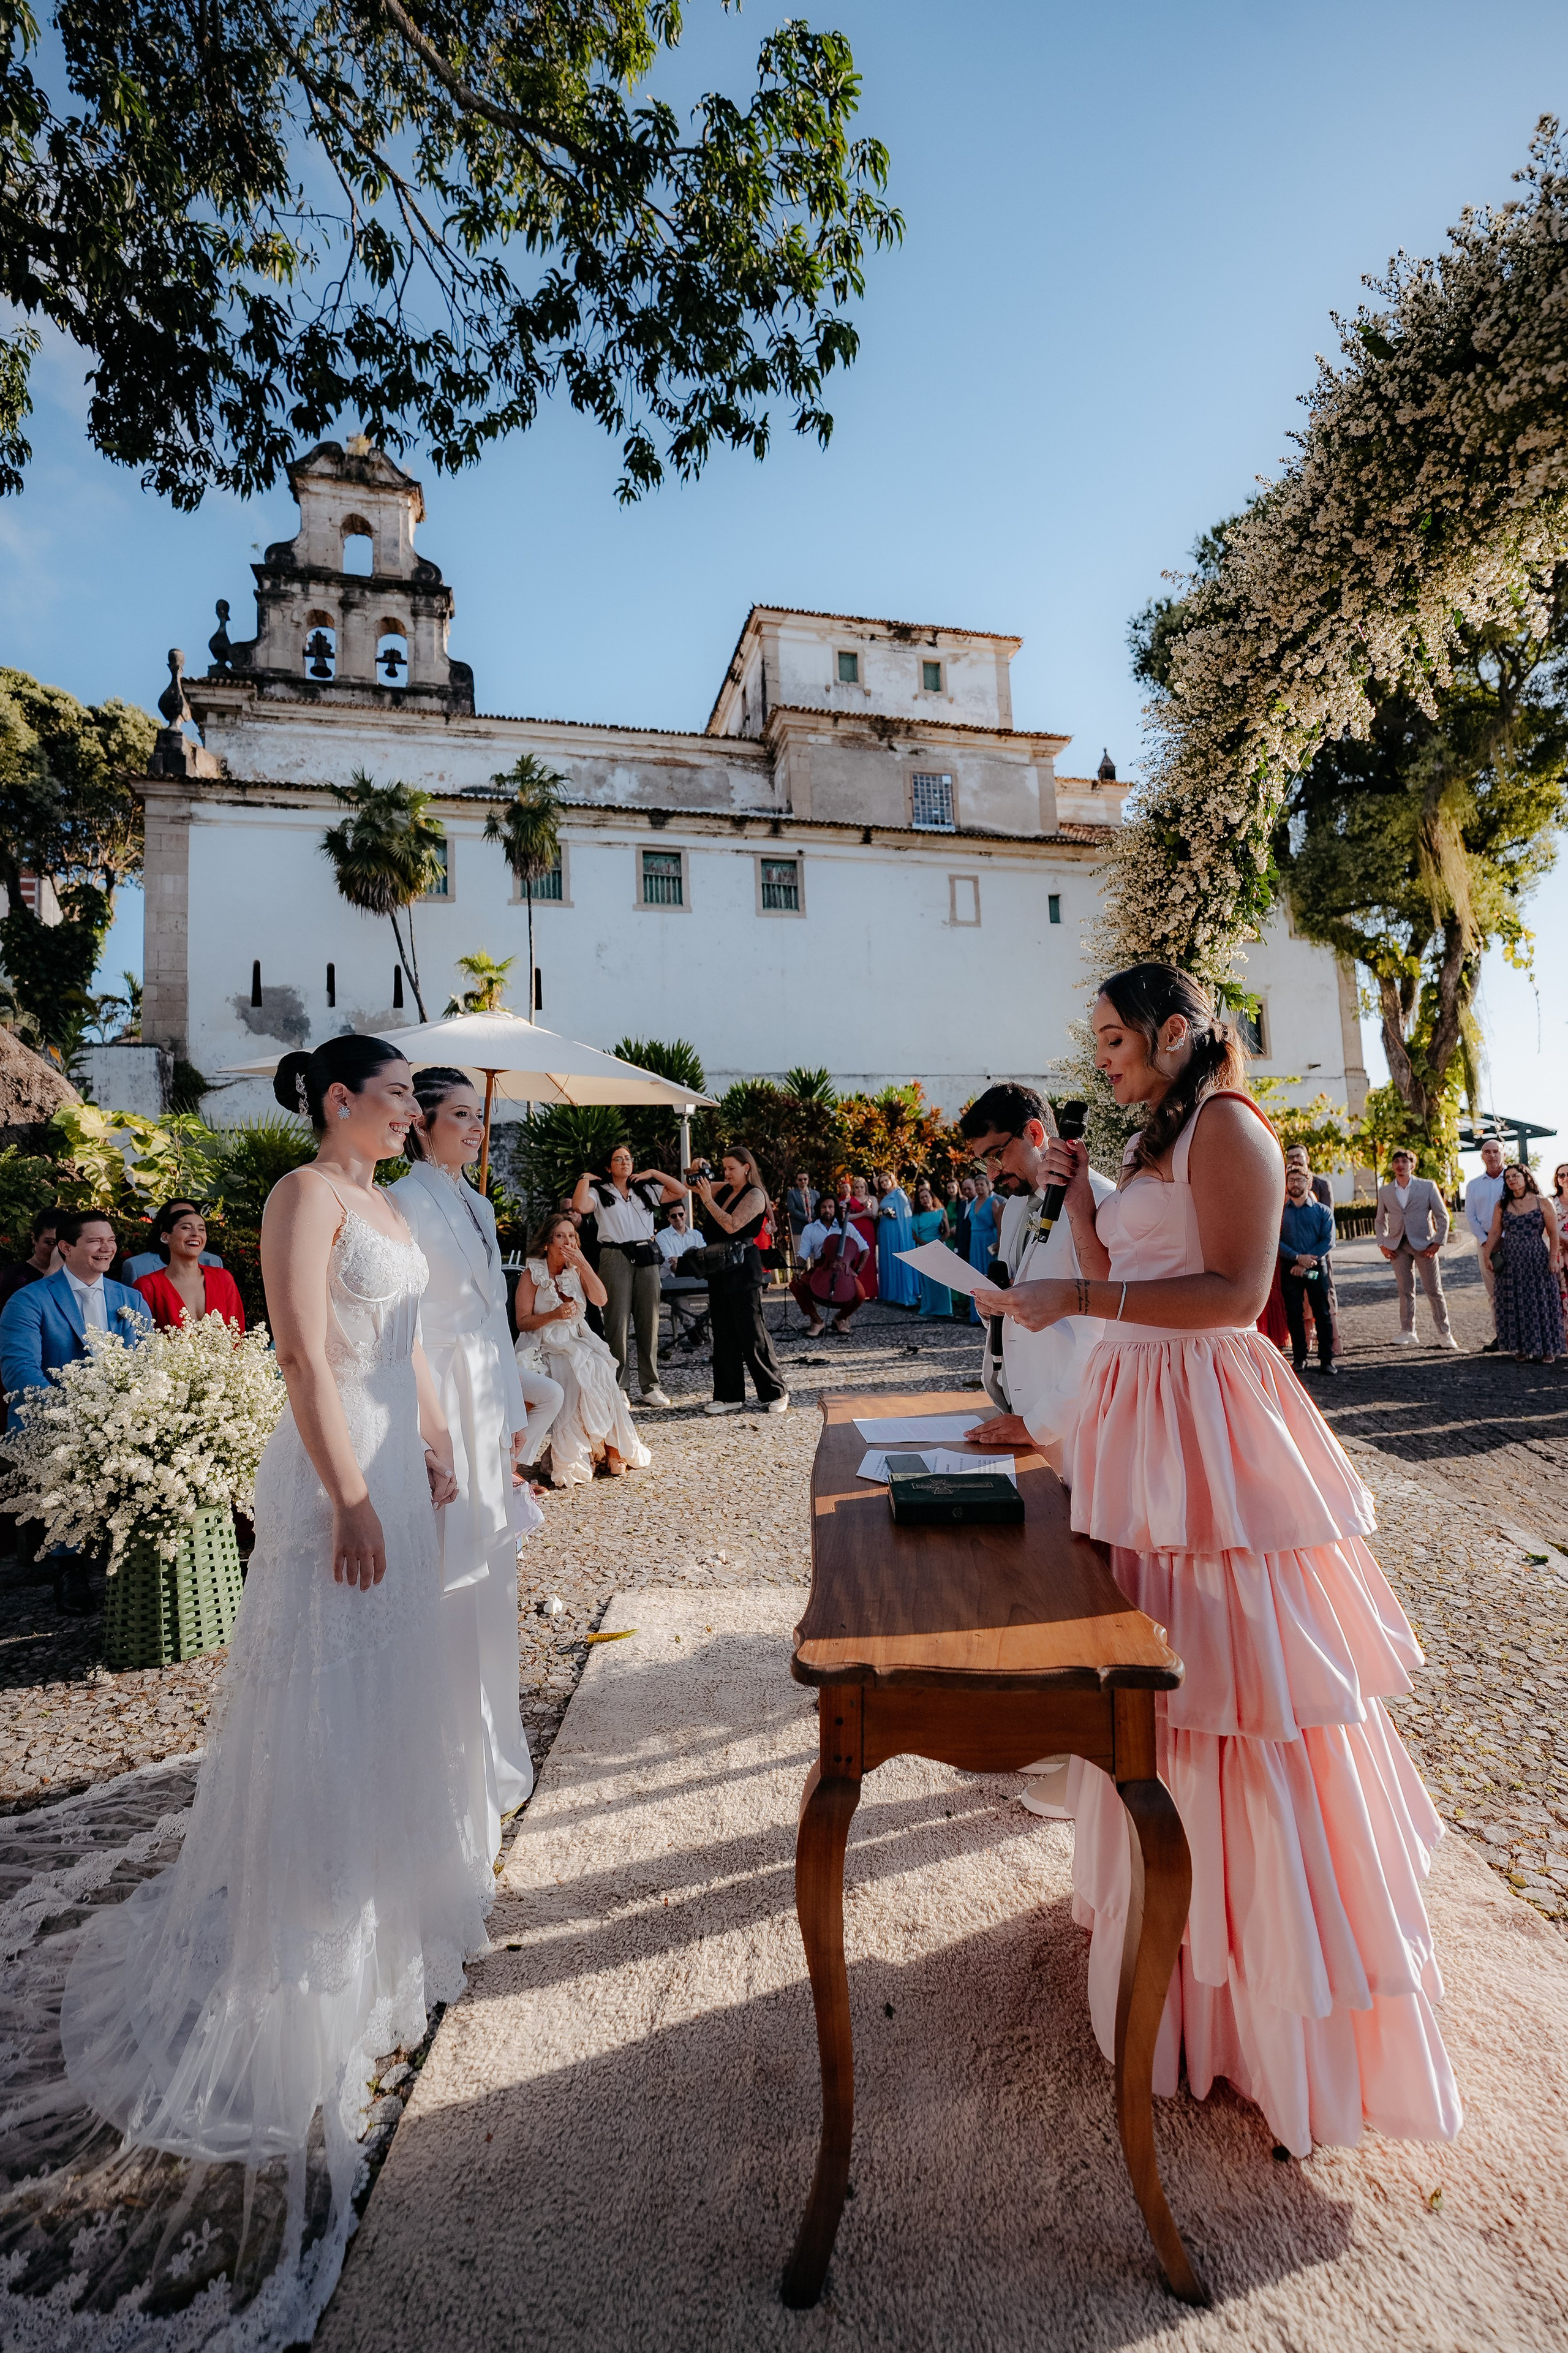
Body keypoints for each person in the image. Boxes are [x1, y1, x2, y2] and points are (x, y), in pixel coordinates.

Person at [984, 961, 1460, 2159]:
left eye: (1113, 1036)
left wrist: (1081, 1289)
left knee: (1230, 1687)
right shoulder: (1156, 1136)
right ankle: (1163, 1940)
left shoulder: (1231, 1127)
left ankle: (1259, 1983)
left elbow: (1231, 1292)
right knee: (1142, 1676)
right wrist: (1075, 1192)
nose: (1100, 1054)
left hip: (1206, 1418)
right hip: (1136, 1414)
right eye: (1092, 1038)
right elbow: (1116, 1264)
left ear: (1177, 1029)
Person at [58, 1035, 490, 2346]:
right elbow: (302, 1353)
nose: (415, 1107)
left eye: (422, 1095)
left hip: (392, 1462)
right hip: (325, 1467)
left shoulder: (383, 1203)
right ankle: (304, 1961)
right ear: (337, 1102)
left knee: (397, 1687)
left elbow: (401, 1336)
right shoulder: (304, 1195)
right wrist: (354, 1491)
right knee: (324, 1694)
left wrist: (427, 1440)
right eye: (399, 1092)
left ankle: (383, 1925)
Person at [389, 1068, 542, 1863]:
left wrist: (515, 1419)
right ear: (420, 1123)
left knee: (497, 1584)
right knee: (450, 1586)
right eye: (459, 1116)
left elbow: (494, 1325)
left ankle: (500, 1757)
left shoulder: (480, 1203)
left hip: (490, 1402)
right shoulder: (400, 1204)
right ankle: (448, 1768)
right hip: (442, 1403)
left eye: (479, 1116)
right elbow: (408, 1332)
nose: (475, 1128)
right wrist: (430, 1437)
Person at [966, 1083, 1117, 1468]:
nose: (993, 1173)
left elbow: (1103, 1334)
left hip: (1076, 1426)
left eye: (997, 1155)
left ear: (1035, 1134)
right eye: (984, 1163)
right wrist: (995, 1307)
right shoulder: (1015, 1209)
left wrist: (1041, 1424)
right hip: (1022, 1405)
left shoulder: (1101, 1203)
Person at [514, 1213, 651, 1483]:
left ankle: (613, 1449)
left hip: (577, 1339)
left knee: (601, 1369)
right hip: (542, 1344)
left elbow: (601, 1299)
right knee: (573, 1376)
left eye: (572, 1235)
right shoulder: (533, 1273)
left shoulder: (577, 1270)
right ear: (547, 1243)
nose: (568, 1240)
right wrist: (554, 1314)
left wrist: (585, 1265)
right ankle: (571, 1458)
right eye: (560, 1236)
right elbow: (522, 1322)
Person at [0, 1209, 153, 1426]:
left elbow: (149, 1361)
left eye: (111, 1240)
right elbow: (19, 1370)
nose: (107, 1248)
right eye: (95, 1241)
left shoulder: (131, 1299)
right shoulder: (28, 1300)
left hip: (120, 1431)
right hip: (46, 1430)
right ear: (66, 1248)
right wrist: (76, 1416)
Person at [571, 1147, 684, 1404]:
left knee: (649, 1321)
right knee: (617, 1322)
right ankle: (620, 1385)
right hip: (615, 1256)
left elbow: (680, 1191)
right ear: (609, 1166)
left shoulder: (645, 1190)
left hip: (646, 1255)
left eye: (629, 1158)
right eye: (618, 1159)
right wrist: (584, 1178)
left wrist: (654, 1173)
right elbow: (579, 1206)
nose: (625, 1162)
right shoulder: (600, 1192)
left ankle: (650, 1385)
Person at [691, 1146, 790, 1413]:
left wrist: (707, 1201)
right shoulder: (724, 1189)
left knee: (752, 1331)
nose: (727, 1173)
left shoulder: (756, 1195)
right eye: (724, 1168)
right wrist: (696, 1166)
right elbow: (692, 1184)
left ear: (747, 1167)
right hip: (719, 1266)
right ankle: (729, 1395)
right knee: (723, 1333)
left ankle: (775, 1392)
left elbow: (732, 1224)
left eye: (731, 1168)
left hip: (743, 1266)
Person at [1482, 1162, 1564, 1362]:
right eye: (1508, 1177)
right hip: (1510, 1260)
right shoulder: (1502, 1205)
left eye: (1515, 1176)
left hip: (1537, 1258)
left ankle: (1547, 1349)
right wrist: (1487, 1255)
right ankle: (1519, 1347)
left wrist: (1553, 1259)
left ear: (1526, 1177)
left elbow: (1553, 1234)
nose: (1511, 1180)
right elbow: (1494, 1232)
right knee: (1515, 1303)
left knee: (1540, 1302)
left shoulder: (1543, 1203)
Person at [1374, 1149, 1456, 1348]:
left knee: (1434, 1290)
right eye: (1397, 1161)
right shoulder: (1385, 1191)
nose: (1400, 1165)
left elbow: (1442, 1216)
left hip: (1424, 1245)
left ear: (1412, 1164)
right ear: (1393, 1166)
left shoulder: (1427, 1186)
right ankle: (1408, 1331)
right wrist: (1382, 1244)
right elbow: (1379, 1220)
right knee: (1405, 1290)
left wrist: (1438, 1242)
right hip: (1397, 1246)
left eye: (1405, 1161)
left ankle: (1445, 1334)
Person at [133, 1201, 246, 1329]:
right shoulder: (148, 1286)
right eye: (186, 1228)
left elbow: (237, 1333)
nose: (196, 1234)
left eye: (201, 1229)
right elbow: (142, 1339)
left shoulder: (223, 1279)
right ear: (165, 1237)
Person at [1279, 1153, 1338, 1376]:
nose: (1295, 1184)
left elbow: (1328, 1241)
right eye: (1291, 1180)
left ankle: (1327, 1360)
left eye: (1300, 1180)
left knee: (1322, 1313)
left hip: (1315, 1270)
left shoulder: (1322, 1212)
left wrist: (1306, 1262)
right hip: (1291, 1269)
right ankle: (1300, 1359)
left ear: (1309, 1183)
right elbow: (1275, 1241)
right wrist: (1296, 1258)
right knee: (1293, 1314)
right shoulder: (1281, 1213)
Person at [791, 1192, 869, 1338]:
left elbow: (865, 1249)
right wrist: (798, 1270)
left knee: (860, 1295)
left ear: (835, 1209)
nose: (827, 1210)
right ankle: (817, 1321)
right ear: (819, 1209)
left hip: (843, 1269)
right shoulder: (810, 1229)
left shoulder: (848, 1227)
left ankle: (840, 1319)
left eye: (831, 1207)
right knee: (796, 1285)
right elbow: (803, 1253)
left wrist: (857, 1270)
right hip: (820, 1268)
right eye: (824, 1207)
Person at [1464, 1136, 1508, 1353]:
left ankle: (1521, 1336)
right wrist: (1485, 1242)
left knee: (1517, 1290)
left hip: (1512, 1243)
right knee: (1494, 1293)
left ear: (1504, 1154)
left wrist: (1505, 1238)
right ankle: (1501, 1335)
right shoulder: (1473, 1186)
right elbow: (1470, 1216)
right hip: (1484, 1246)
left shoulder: (1514, 1180)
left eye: (1496, 1151)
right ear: (1482, 1157)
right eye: (1487, 1152)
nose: (1491, 1155)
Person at [121, 1201, 224, 1283]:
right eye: (185, 1226)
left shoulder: (215, 1265)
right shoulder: (138, 1268)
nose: (195, 1233)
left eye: (201, 1228)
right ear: (164, 1232)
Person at [656, 1198, 709, 1351]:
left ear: (685, 1214)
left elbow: (705, 1259)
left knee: (720, 1292)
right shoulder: (662, 1237)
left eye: (680, 1214)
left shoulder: (697, 1235)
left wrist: (680, 1260)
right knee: (679, 1295)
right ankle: (691, 1329)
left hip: (696, 1279)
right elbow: (672, 1267)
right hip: (671, 1282)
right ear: (668, 1218)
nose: (678, 1218)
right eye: (674, 1216)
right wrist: (691, 1261)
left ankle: (700, 1322)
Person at [874, 1171, 920, 1307]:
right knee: (888, 1259)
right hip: (885, 1231)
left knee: (897, 1260)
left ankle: (902, 1293)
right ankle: (889, 1293)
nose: (884, 1184)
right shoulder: (886, 1196)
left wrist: (894, 1215)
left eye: (886, 1181)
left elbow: (905, 1217)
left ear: (892, 1180)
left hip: (896, 1232)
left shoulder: (899, 1194)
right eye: (882, 1182)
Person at [0, 1207, 58, 1312]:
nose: (56, 1251)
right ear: (34, 1238)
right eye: (50, 1243)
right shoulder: (13, 1278)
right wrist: (53, 1269)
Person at [909, 1179, 953, 1317]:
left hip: (939, 1248)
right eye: (921, 1198)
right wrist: (928, 1246)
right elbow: (914, 1236)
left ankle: (945, 1309)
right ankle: (929, 1308)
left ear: (931, 1197)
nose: (924, 1200)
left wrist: (937, 1245)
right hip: (924, 1249)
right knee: (927, 1281)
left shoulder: (941, 1212)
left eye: (926, 1197)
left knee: (943, 1279)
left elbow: (947, 1232)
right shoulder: (917, 1215)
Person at [965, 1169, 1000, 1323]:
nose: (979, 1187)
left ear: (988, 1186)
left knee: (987, 1276)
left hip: (988, 1241)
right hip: (975, 1241)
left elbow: (999, 1226)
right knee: (976, 1275)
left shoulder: (993, 1202)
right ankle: (976, 1315)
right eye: (977, 1185)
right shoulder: (972, 1203)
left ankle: (991, 1313)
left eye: (981, 1185)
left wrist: (999, 1242)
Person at [844, 1176, 879, 1301]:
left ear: (866, 1188)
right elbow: (846, 1217)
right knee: (856, 1258)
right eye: (857, 1187)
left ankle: (871, 1291)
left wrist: (867, 1208)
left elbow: (874, 1215)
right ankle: (855, 1290)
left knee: (869, 1258)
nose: (860, 1190)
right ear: (854, 1189)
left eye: (862, 1187)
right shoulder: (849, 1200)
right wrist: (861, 1214)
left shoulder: (872, 1199)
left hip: (869, 1231)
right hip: (855, 1231)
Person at [785, 1171, 818, 1247]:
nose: (803, 1181)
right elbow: (792, 1210)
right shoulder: (792, 1194)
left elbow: (819, 1209)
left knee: (815, 1255)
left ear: (808, 1180)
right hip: (798, 1229)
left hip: (814, 1227)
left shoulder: (815, 1194)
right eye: (800, 1180)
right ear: (797, 1181)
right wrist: (806, 1218)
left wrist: (813, 1219)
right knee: (800, 1255)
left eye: (805, 1179)